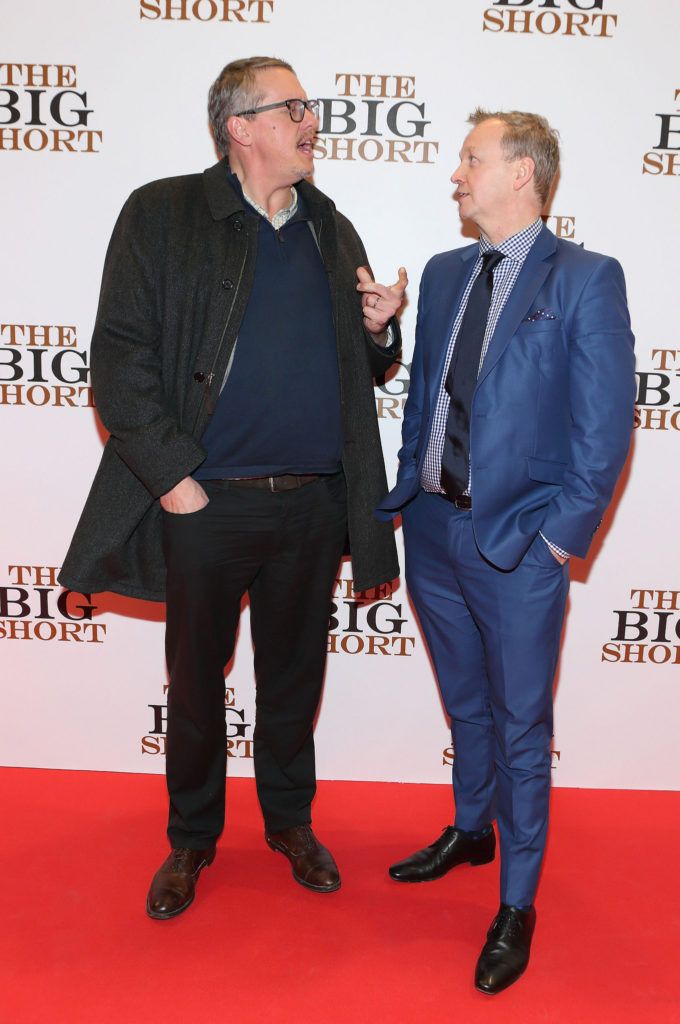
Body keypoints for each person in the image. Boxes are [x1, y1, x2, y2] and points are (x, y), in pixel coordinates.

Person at [60, 56, 407, 920]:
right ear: (239, 125)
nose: (311, 120)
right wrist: (175, 480)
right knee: (195, 680)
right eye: (293, 107)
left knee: (294, 676)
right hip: (207, 502)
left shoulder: (331, 227)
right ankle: (191, 839)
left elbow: (363, 368)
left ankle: (290, 822)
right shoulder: (164, 213)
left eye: (309, 106)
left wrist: (380, 332)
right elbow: (121, 361)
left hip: (314, 501)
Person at [378, 109, 634, 994]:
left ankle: (517, 901)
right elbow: (433, 399)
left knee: (524, 724)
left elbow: (604, 435)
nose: (457, 173)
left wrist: (559, 540)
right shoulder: (448, 273)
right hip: (437, 532)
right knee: (465, 701)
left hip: (519, 542)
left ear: (521, 172)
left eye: (472, 158)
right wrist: (412, 491)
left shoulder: (586, 279)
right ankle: (472, 829)